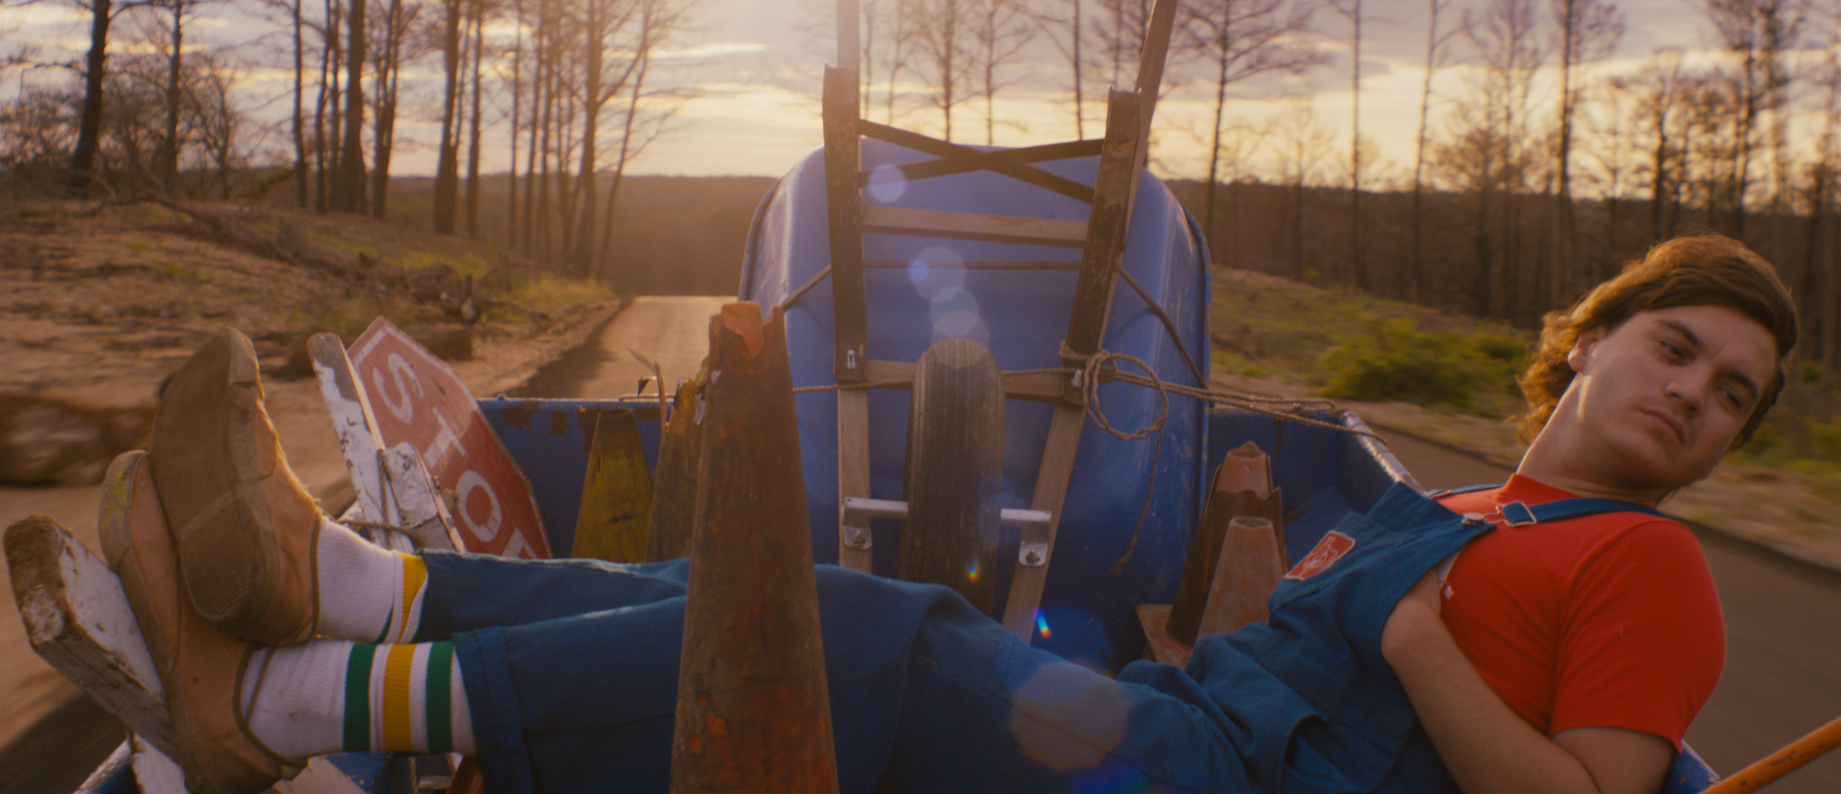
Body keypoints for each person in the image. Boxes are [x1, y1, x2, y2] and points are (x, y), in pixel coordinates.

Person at [24, 234, 1798, 794]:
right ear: (1586, 342)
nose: (1692, 401)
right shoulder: (1473, 503)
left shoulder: (1644, 564)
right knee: (761, 586)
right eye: (1674, 348)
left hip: (1218, 783)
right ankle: (352, 577)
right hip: (1184, 736)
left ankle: (279, 704)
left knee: (874, 636)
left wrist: (1419, 644)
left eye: (1733, 400)